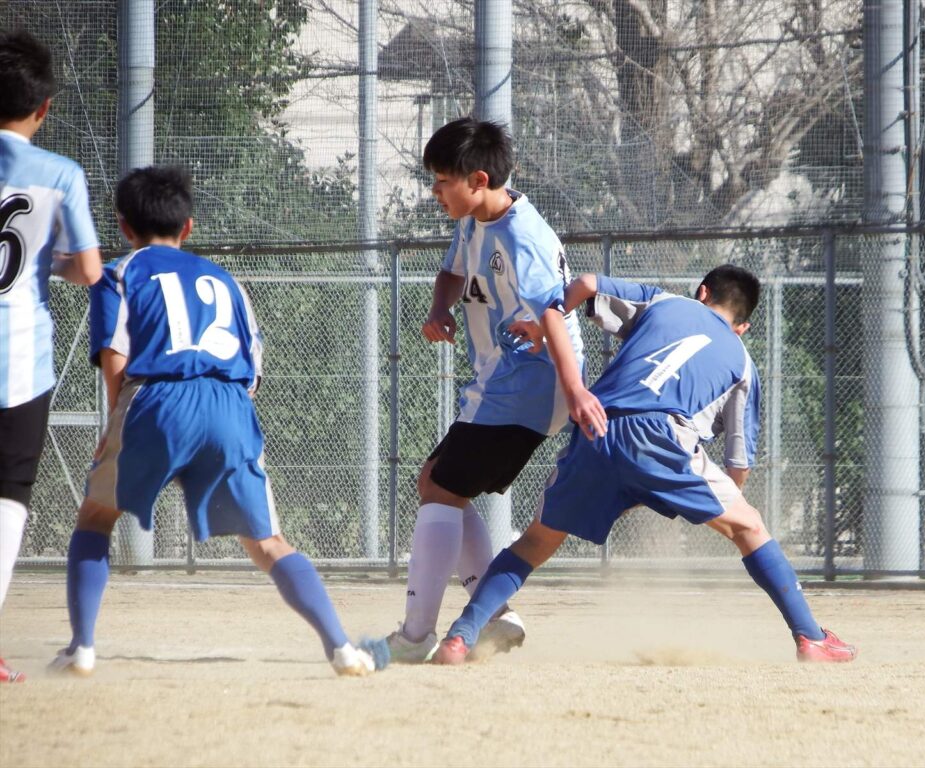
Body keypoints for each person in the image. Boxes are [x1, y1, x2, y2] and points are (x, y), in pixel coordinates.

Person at [46, 165, 387, 678]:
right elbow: (253, 369)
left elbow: (116, 354)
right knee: (268, 542)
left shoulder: (117, 273)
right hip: (229, 402)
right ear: (188, 226)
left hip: (157, 398)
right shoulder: (226, 281)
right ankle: (341, 648)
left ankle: (81, 648)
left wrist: (116, 424)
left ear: (123, 226)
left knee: (96, 517)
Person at [432, 266, 857, 664]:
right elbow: (738, 460)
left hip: (597, 425)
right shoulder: (743, 362)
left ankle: (460, 637)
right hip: (663, 435)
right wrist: (721, 505)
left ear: (702, 292)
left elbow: (587, 283)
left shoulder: (663, 302)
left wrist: (545, 325)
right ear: (742, 326)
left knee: (534, 543)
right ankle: (812, 638)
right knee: (751, 527)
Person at [387, 117, 607, 663]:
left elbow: (554, 316)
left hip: (529, 383)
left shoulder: (522, 237)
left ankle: (416, 637)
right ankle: (494, 614)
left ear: (478, 180)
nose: (435, 192)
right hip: (498, 380)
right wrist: (440, 309)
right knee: (436, 484)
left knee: (441, 488)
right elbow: (452, 273)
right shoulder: (474, 219)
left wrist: (576, 392)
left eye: (442, 181)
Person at [0, 30, 103, 684]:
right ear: (43, 108)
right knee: (8, 496)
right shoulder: (60, 173)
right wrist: (48, 266)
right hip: (19, 360)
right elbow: (89, 269)